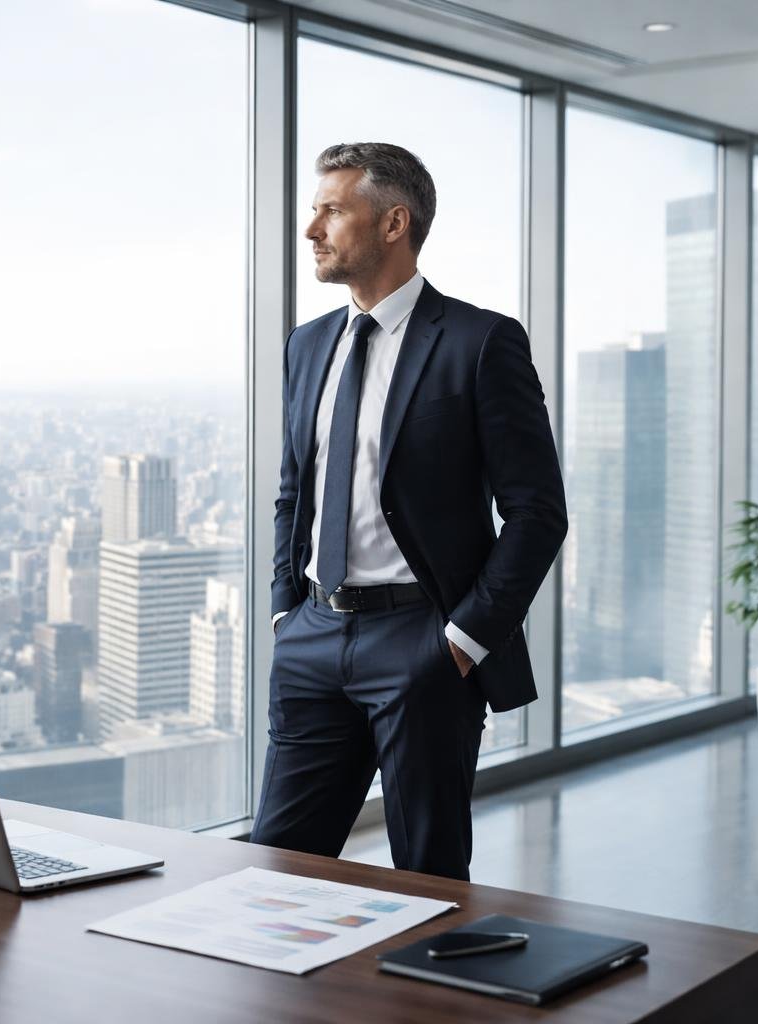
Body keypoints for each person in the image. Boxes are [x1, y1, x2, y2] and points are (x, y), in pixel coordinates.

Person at [250, 142, 566, 881]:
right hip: (312, 637)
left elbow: (537, 512)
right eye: (314, 209)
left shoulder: (480, 343)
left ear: (395, 223)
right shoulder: (308, 344)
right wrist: (282, 610)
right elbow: (294, 487)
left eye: (331, 209)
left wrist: (460, 642)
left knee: (428, 882)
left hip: (422, 642)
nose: (311, 229)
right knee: (277, 873)